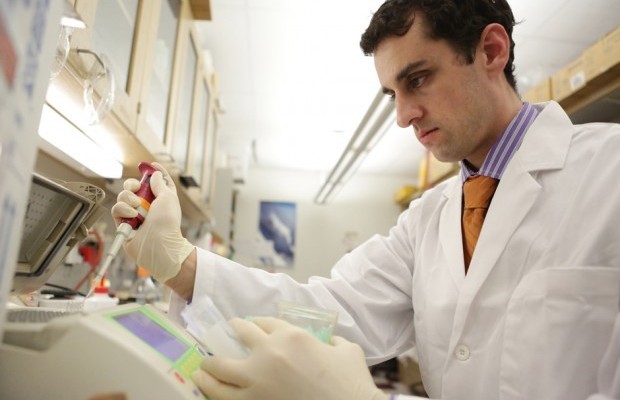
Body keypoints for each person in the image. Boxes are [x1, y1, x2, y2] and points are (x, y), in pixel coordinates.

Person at [111, 0, 620, 399]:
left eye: (417, 79)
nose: (403, 116)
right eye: (391, 95)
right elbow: (326, 311)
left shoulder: (609, 174)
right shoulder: (429, 220)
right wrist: (180, 264)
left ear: (490, 51)